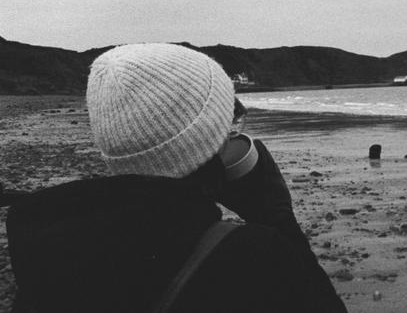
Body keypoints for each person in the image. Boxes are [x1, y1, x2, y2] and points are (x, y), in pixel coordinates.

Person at [6, 43, 347, 312]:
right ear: (202, 143)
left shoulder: (47, 248)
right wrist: (277, 220)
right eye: (229, 123)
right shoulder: (252, 258)